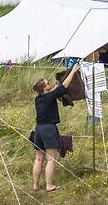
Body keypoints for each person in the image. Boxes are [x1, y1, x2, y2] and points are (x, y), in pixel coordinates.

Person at [31, 62, 80, 192]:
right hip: (49, 129)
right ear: (44, 88)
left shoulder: (38, 99)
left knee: (38, 159)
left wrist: (54, 88)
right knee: (51, 159)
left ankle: (35, 185)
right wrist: (73, 71)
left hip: (38, 130)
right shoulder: (49, 96)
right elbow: (64, 86)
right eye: (48, 83)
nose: (50, 83)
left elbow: (53, 91)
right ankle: (49, 185)